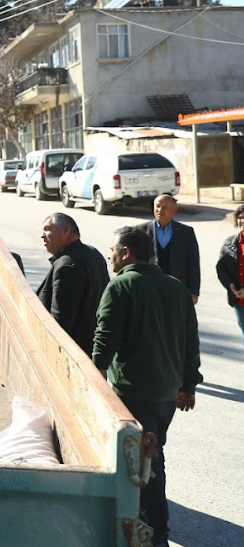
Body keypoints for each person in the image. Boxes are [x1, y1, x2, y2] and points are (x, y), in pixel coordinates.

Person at [92, 226, 201, 547]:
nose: (110, 256)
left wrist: (95, 376)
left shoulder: (121, 285)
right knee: (148, 460)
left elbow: (106, 337)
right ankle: (147, 524)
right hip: (167, 396)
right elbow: (190, 340)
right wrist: (188, 384)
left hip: (133, 394)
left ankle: (156, 533)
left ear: (125, 253)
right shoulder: (175, 286)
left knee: (146, 466)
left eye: (112, 250)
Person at [36, 213, 109, 355]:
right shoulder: (93, 253)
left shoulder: (67, 265)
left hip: (72, 352)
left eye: (47, 229)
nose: (42, 236)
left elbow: (60, 322)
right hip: (90, 347)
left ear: (65, 230)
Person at [142, 194, 200, 304]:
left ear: (174, 211)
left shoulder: (186, 232)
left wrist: (194, 291)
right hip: (149, 287)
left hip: (177, 287)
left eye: (165, 208)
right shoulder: (142, 231)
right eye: (157, 206)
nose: (160, 210)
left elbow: (193, 262)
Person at [215, 204, 244, 345]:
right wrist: (232, 287)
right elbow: (221, 268)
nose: (243, 221)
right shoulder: (229, 243)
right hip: (238, 300)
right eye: (241, 217)